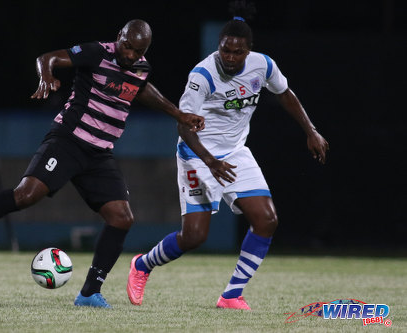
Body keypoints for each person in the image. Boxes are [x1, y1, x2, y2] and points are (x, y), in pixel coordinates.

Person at [0, 19, 205, 309]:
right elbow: (47, 58)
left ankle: (89, 293)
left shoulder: (140, 67)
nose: (130, 54)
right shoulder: (97, 52)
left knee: (121, 218)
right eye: (127, 46)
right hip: (69, 141)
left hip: (99, 154)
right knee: (25, 195)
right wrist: (45, 75)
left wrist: (178, 114)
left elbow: (142, 89)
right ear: (119, 38)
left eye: (138, 51)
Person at [127, 2, 329, 310]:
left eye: (237, 52)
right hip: (198, 155)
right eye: (225, 51)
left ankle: (231, 295)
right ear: (218, 46)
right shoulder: (202, 75)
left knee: (267, 220)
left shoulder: (263, 65)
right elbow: (185, 128)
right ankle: (142, 265)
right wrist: (210, 162)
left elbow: (284, 93)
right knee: (194, 236)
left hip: (235, 152)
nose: (231, 58)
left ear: (249, 51)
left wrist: (310, 130)